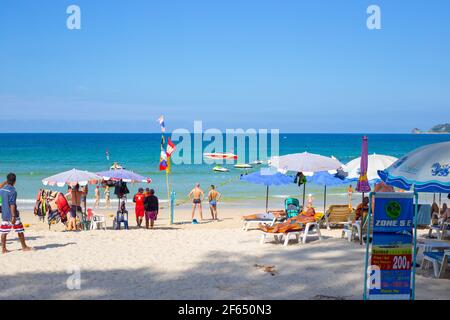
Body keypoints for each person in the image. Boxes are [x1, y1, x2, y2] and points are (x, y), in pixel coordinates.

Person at [0, 173, 32, 254]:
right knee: (20, 230)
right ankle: (24, 247)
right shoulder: (13, 191)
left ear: (7, 180)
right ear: (15, 181)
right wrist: (14, 216)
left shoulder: (2, 190)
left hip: (4, 214)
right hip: (12, 214)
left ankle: (3, 249)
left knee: (4, 231)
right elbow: (12, 204)